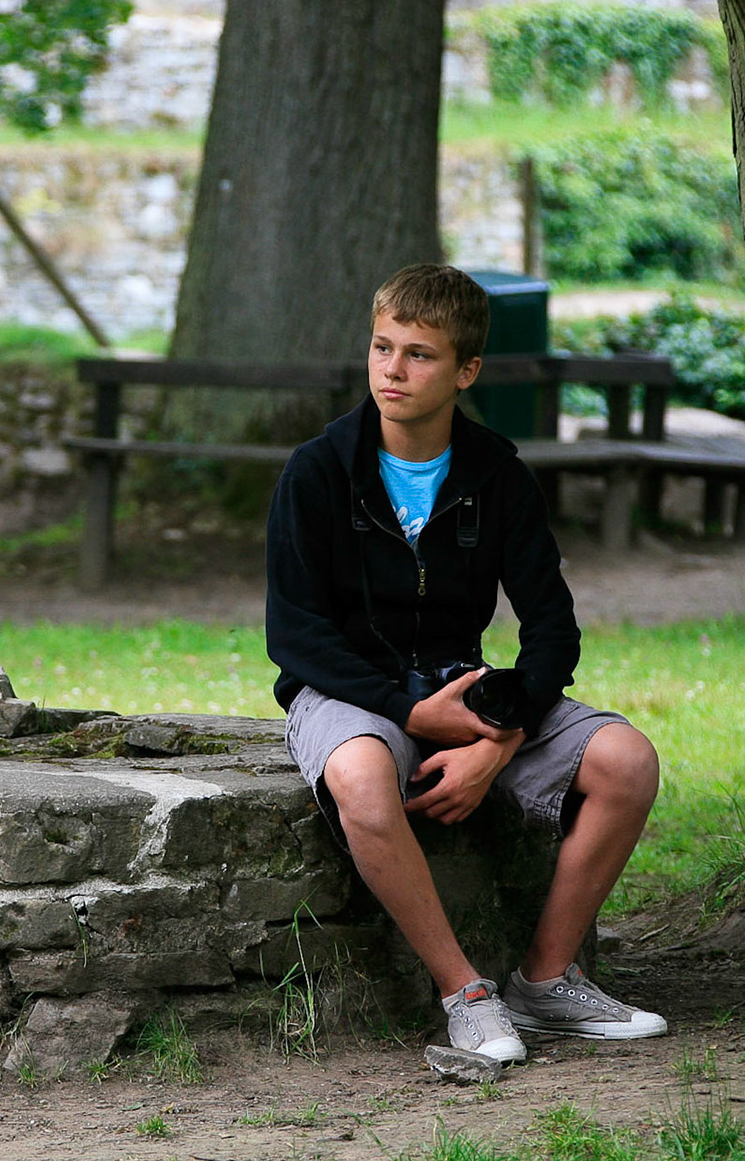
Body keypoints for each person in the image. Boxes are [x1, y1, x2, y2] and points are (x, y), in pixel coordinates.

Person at [265, 263, 667, 1065]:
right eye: (383, 348)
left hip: (468, 688)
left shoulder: (497, 475)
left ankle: (547, 983)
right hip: (347, 688)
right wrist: (410, 713)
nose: (392, 370)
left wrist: (500, 737)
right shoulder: (317, 471)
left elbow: (552, 630)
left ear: (465, 370)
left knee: (628, 759)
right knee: (359, 778)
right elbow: (296, 635)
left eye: (418, 355)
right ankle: (467, 994)